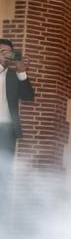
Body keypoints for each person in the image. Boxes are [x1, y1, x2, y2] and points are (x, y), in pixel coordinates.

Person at [0, 39, 34, 211]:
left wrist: (22, 72)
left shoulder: (14, 76)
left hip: (6, 131)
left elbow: (28, 96)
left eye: (9, 52)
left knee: (3, 175)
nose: (7, 55)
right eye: (3, 52)